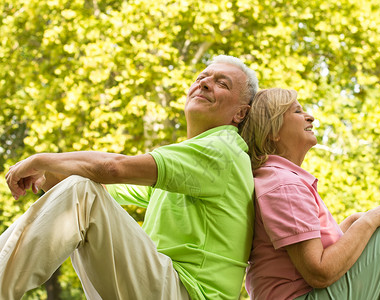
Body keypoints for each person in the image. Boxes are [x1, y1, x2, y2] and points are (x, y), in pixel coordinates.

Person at [1, 55, 259, 300]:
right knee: (81, 189)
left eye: (221, 83)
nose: (204, 83)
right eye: (201, 77)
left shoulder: (223, 149)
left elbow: (112, 169)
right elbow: (94, 195)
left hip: (186, 292)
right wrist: (47, 176)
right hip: (165, 288)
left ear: (240, 113)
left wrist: (39, 161)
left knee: (81, 190)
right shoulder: (192, 163)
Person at [240, 88, 380, 300]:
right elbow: (318, 272)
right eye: (297, 112)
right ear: (273, 132)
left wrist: (352, 225)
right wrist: (369, 221)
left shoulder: (277, 179)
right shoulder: (283, 185)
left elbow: (304, 256)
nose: (309, 116)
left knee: (371, 240)